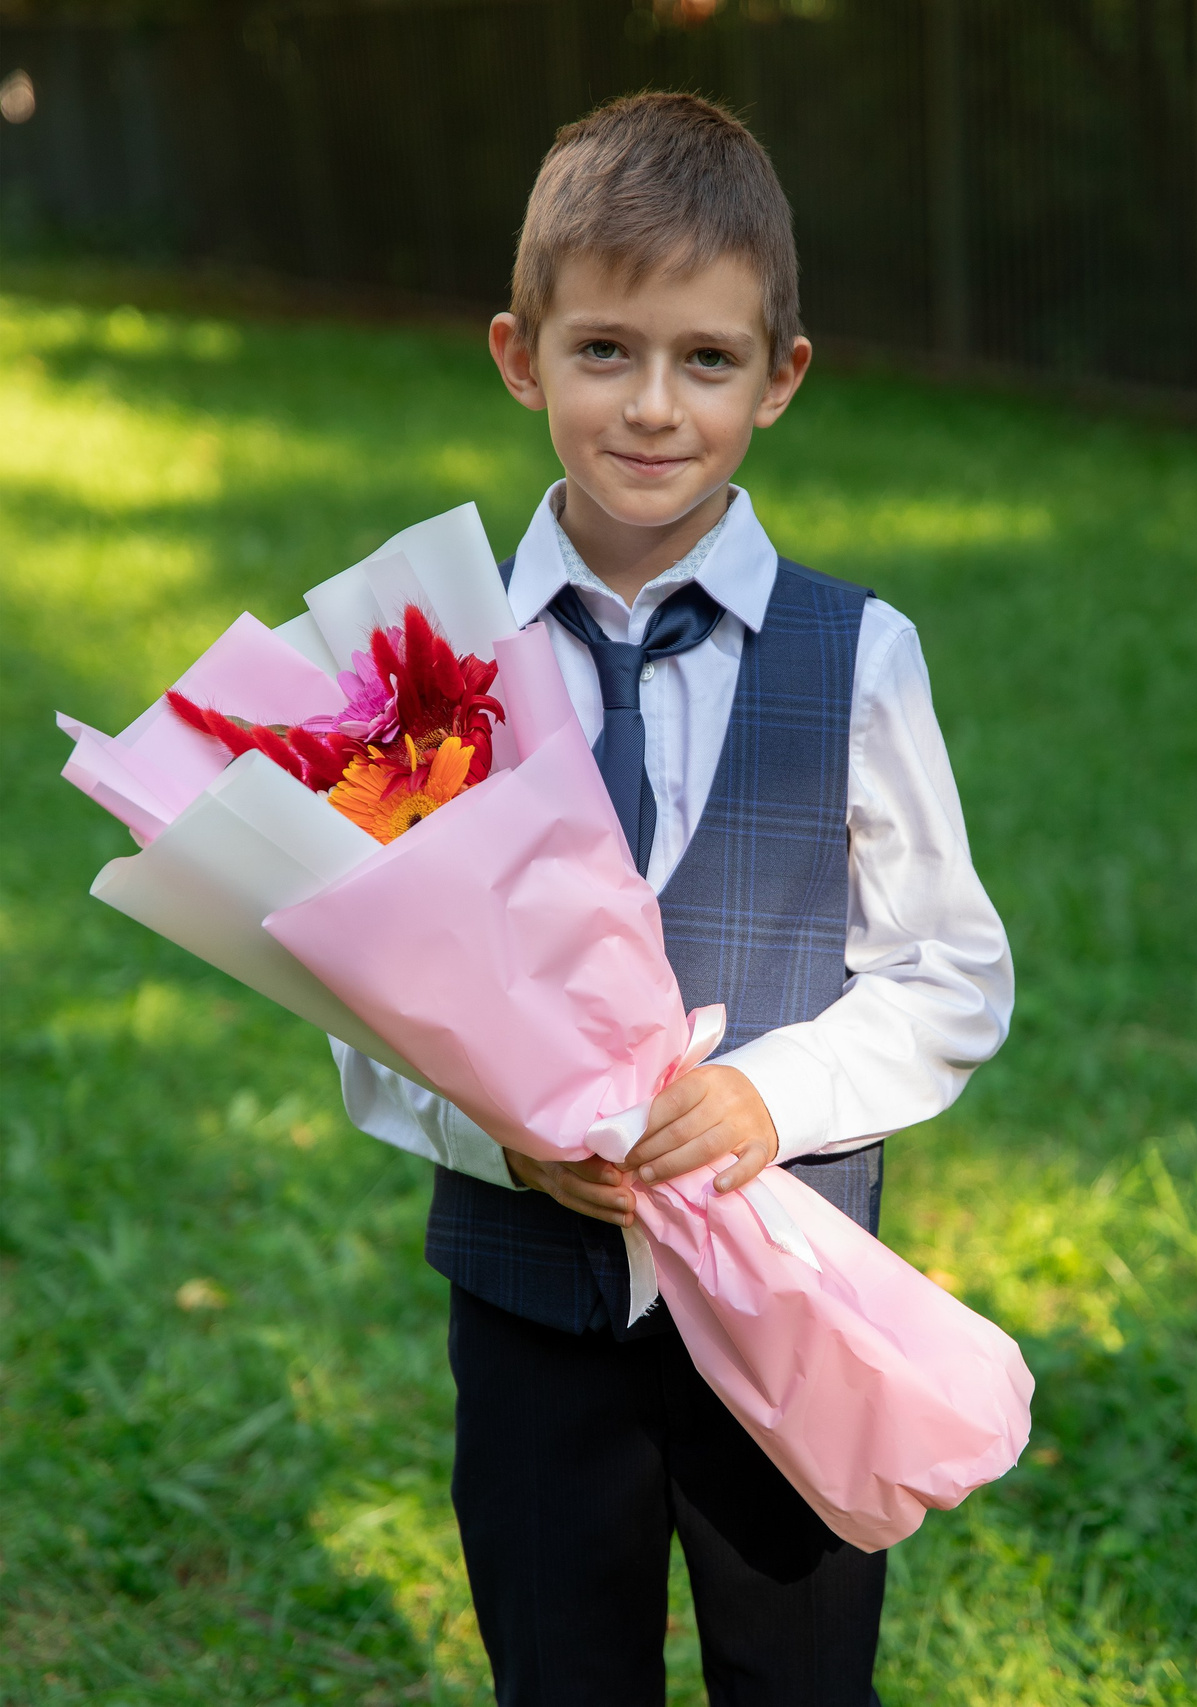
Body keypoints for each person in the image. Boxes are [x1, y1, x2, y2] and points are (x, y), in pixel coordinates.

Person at [331, 94, 1014, 1702]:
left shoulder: (863, 655)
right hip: (528, 1313)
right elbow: (359, 994)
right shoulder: (436, 660)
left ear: (780, 377)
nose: (652, 406)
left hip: (785, 1299)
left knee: (802, 1676)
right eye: (604, 351)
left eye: (707, 359)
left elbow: (949, 972)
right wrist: (493, 1132)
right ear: (520, 356)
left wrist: (770, 1096)